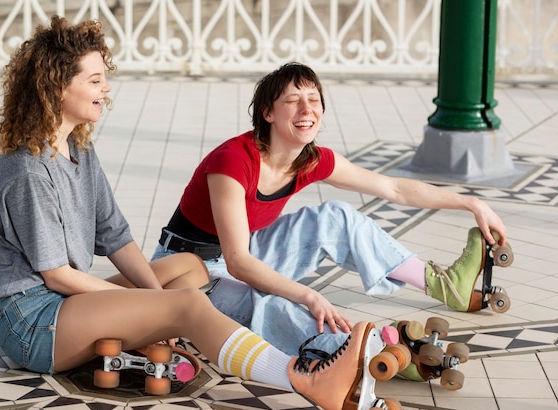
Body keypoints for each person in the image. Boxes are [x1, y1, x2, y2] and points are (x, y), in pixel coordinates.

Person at [0, 17, 385, 410]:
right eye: (95, 79)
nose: (107, 87)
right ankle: (304, 380)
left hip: (62, 305)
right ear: (58, 87)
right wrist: (161, 305)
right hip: (31, 325)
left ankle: (148, 331)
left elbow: (116, 237)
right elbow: (57, 276)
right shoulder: (27, 171)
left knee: (191, 267)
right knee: (186, 303)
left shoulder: (79, 151)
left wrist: (154, 301)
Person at [152, 62, 509, 357]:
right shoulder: (233, 161)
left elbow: (394, 188)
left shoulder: (310, 161)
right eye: (293, 100)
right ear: (268, 113)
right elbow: (239, 263)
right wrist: (309, 294)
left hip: (244, 251)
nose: (307, 110)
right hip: (192, 273)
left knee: (335, 217)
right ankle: (361, 354)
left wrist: (471, 203)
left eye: (314, 99)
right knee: (272, 303)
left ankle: (445, 285)